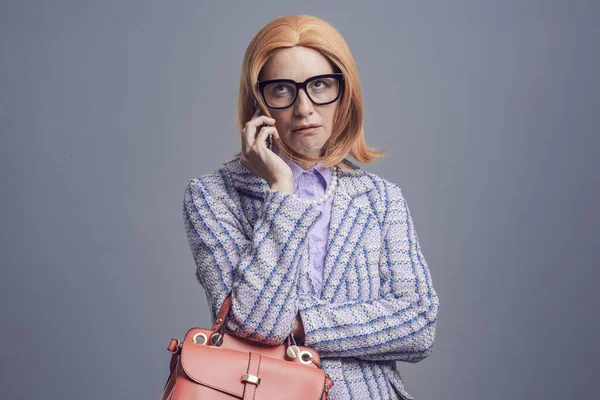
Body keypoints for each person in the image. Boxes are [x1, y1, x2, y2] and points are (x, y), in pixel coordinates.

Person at [182, 15, 439, 400]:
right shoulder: (211, 196)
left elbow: (418, 325)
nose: (304, 108)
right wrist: (280, 189)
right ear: (258, 103)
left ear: (344, 92)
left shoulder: (382, 199)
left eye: (320, 85)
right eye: (283, 89)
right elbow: (257, 324)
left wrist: (302, 325)